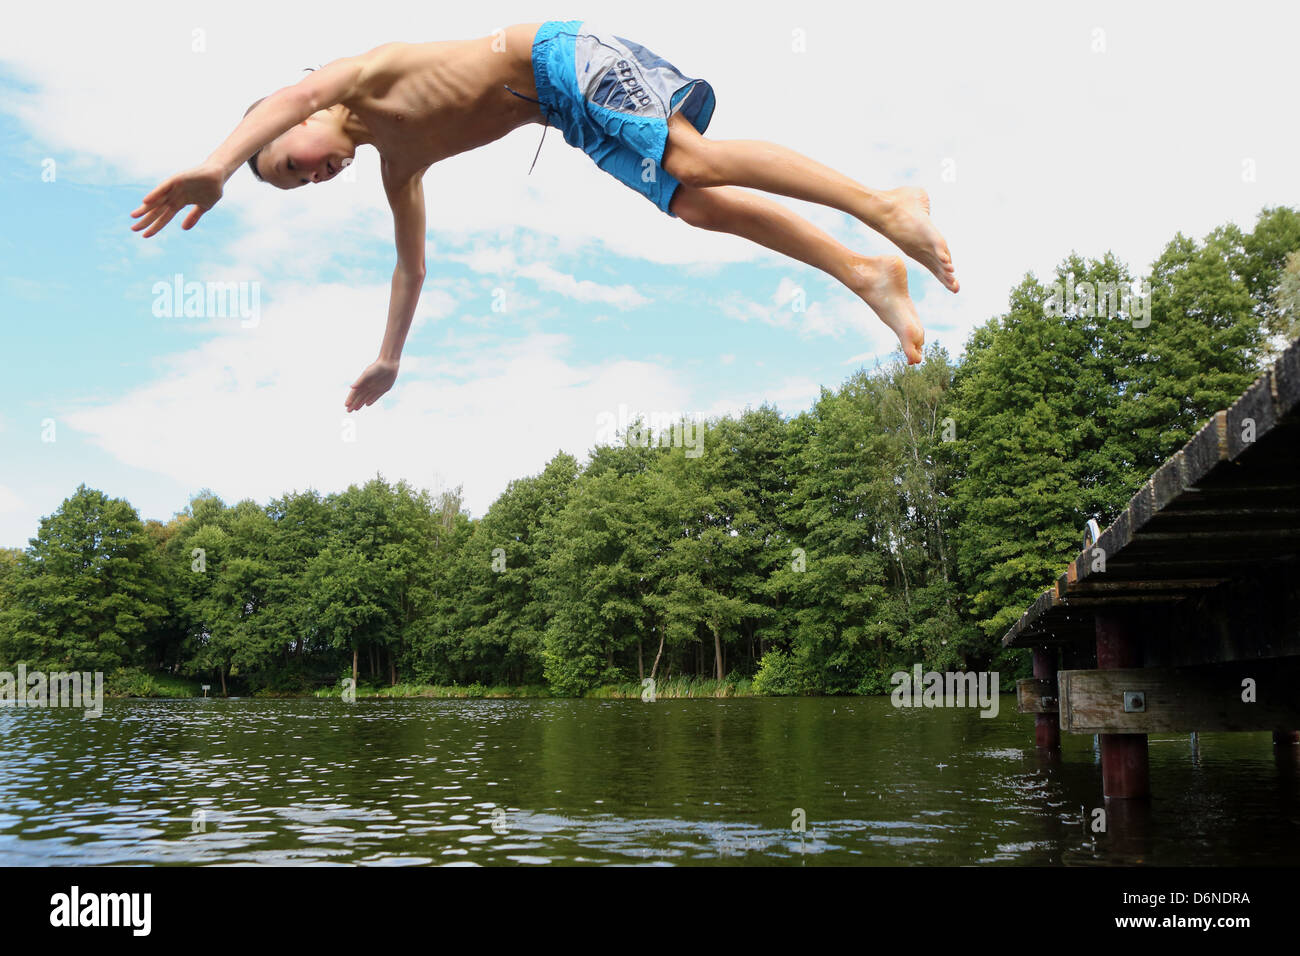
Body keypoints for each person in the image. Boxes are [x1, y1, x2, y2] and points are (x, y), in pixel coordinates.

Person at [131, 20, 959, 412]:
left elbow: (291, 96)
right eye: (300, 188)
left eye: (290, 161)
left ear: (290, 125)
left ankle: (884, 206)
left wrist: (219, 165)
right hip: (564, 118)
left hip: (560, 58)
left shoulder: (355, 78)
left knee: (692, 160)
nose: (313, 174)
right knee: (693, 205)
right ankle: (861, 270)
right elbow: (411, 267)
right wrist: (389, 359)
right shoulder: (400, 166)